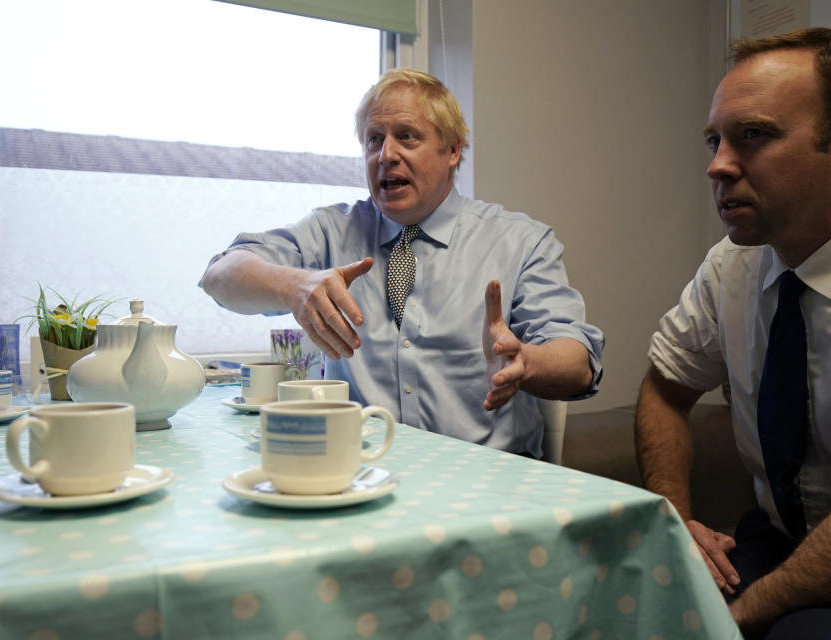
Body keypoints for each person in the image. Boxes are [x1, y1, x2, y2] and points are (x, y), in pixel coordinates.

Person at [201, 68, 603, 458]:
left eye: (406, 137)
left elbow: (578, 362)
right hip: (360, 475)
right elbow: (219, 275)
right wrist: (292, 286)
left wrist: (525, 362)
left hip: (485, 481)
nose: (385, 155)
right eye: (373, 140)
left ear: (453, 149)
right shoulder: (332, 230)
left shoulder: (521, 241)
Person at [635, 28, 831, 639]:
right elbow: (666, 388)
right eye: (715, 140)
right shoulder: (733, 265)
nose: (717, 165)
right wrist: (677, 520)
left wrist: (737, 615)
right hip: (777, 539)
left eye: (755, 135)